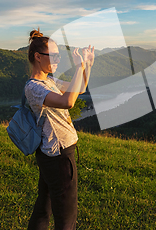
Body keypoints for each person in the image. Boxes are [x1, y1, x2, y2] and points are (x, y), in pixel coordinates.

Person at [25, 29, 94, 230]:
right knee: (66, 217)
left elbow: (78, 89)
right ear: (38, 57)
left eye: (58, 56)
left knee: (43, 206)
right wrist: (79, 65)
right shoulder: (35, 87)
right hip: (58, 156)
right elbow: (68, 102)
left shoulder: (49, 80)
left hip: (51, 154)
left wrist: (86, 66)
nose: (57, 60)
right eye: (53, 56)